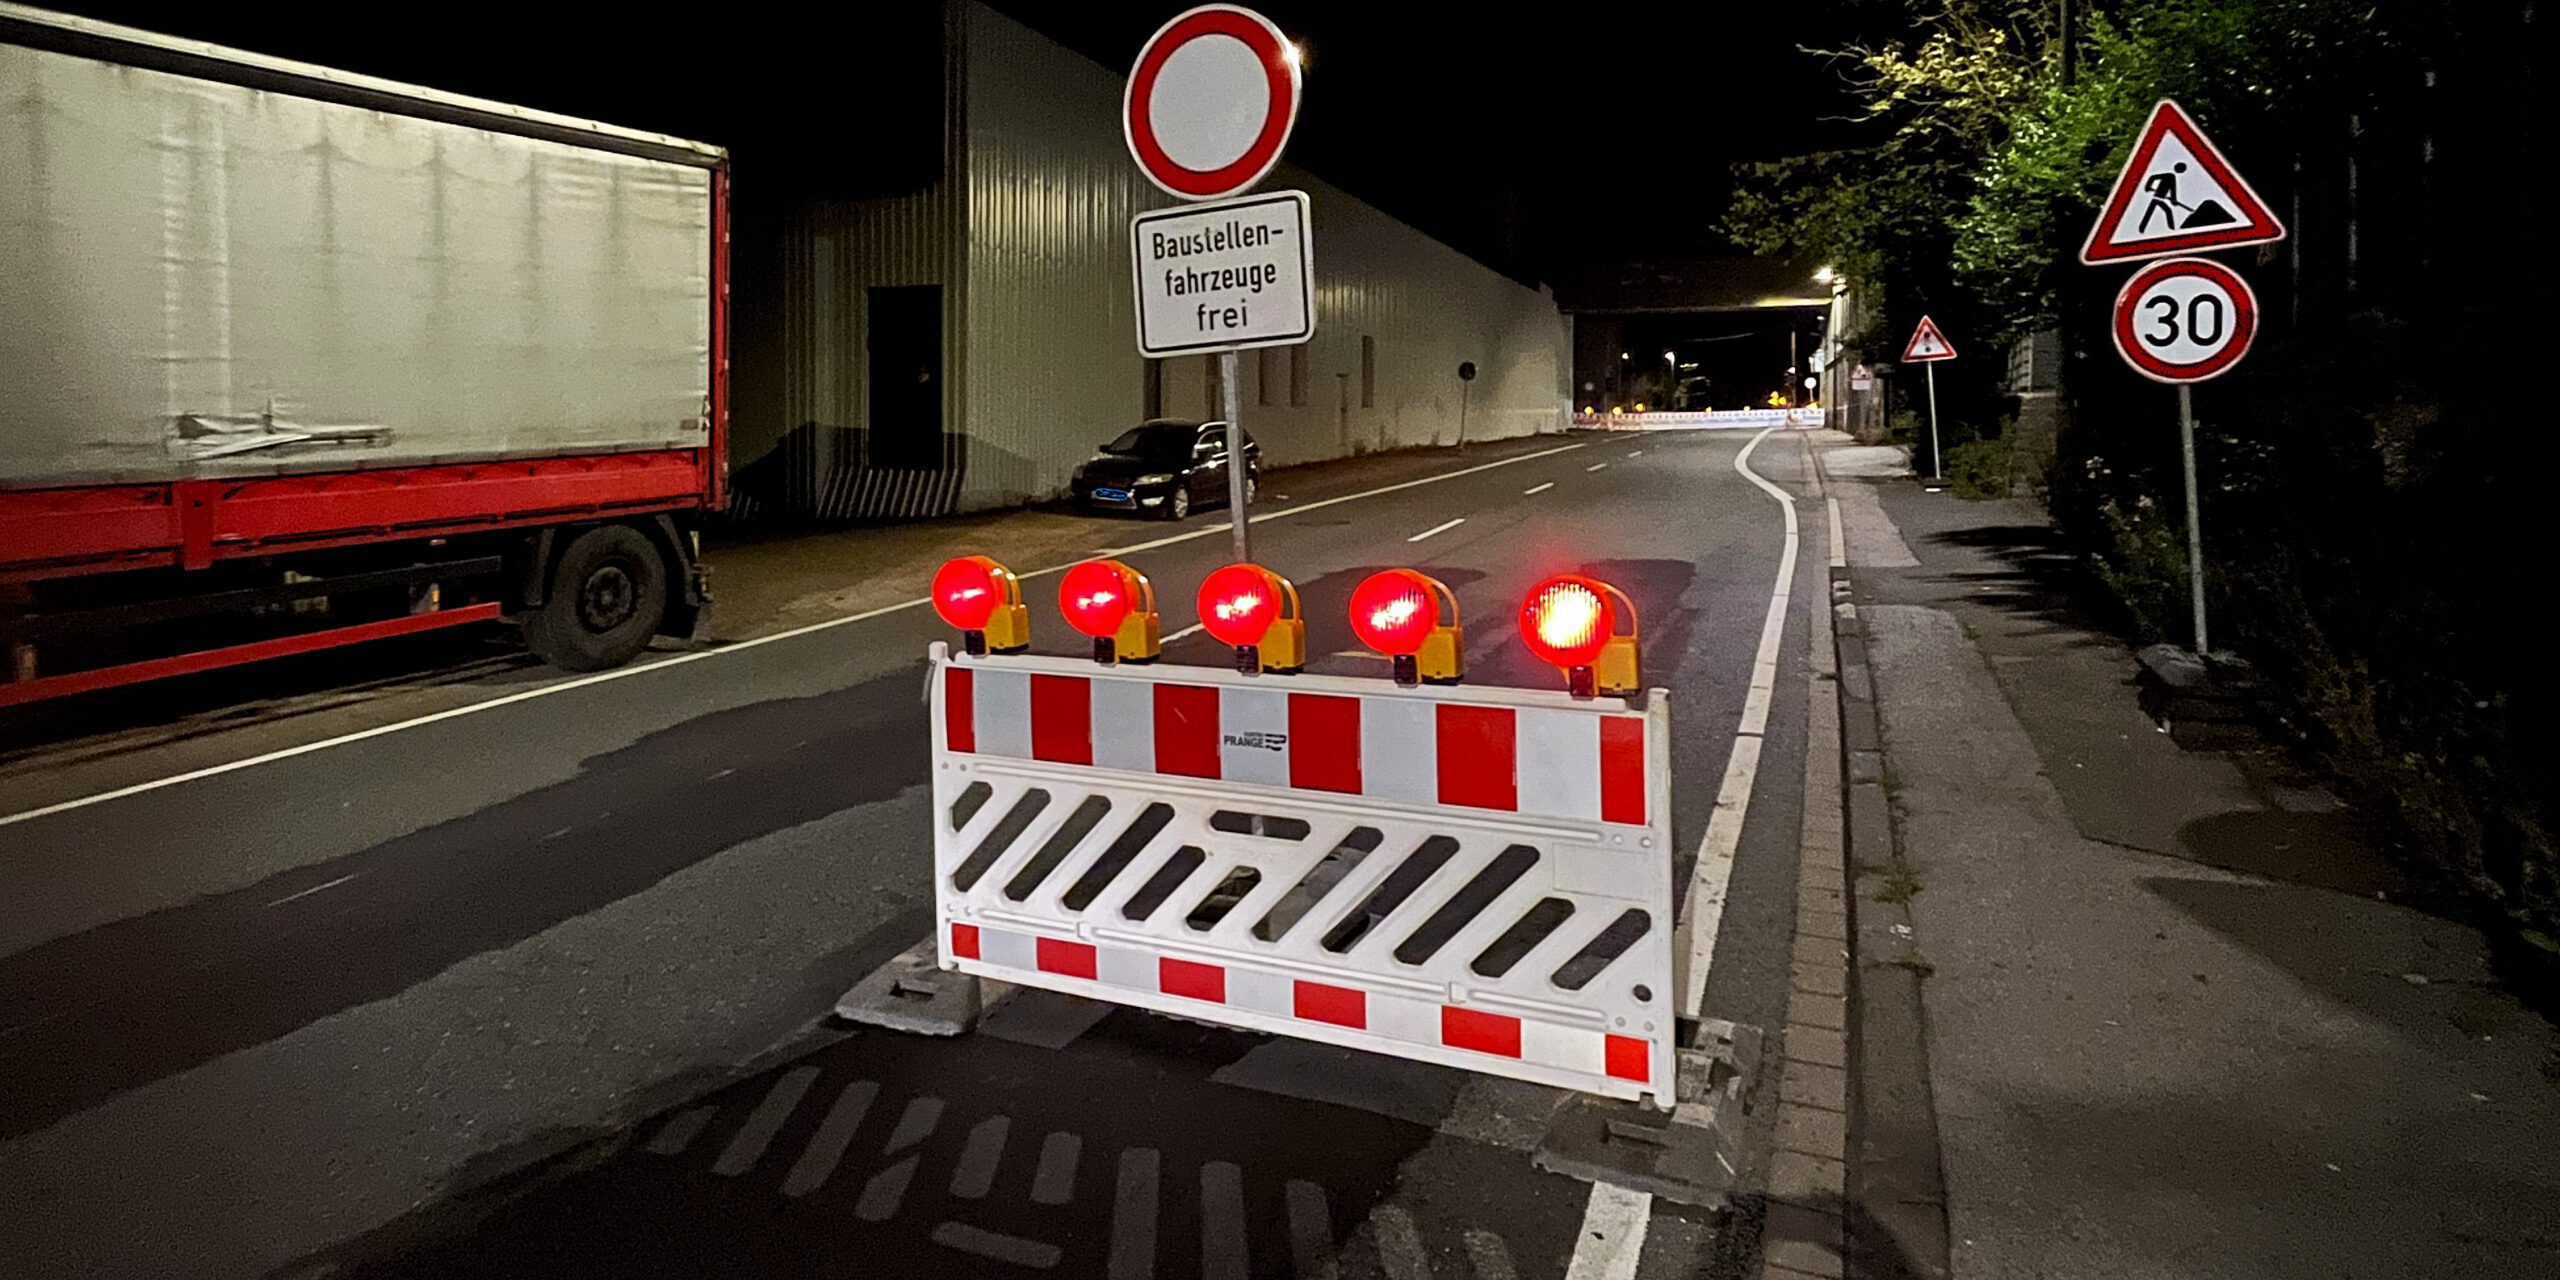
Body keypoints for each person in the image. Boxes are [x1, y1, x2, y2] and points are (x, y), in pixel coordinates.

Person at [2139, 162, 2189, 233]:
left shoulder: (2171, 176)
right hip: (2157, 198)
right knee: (2163, 212)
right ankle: (2172, 230)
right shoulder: (2170, 176)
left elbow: (2172, 190)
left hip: (2159, 198)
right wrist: (2147, 187)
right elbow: (2153, 177)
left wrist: (2173, 200)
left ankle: (2142, 229)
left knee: (2162, 211)